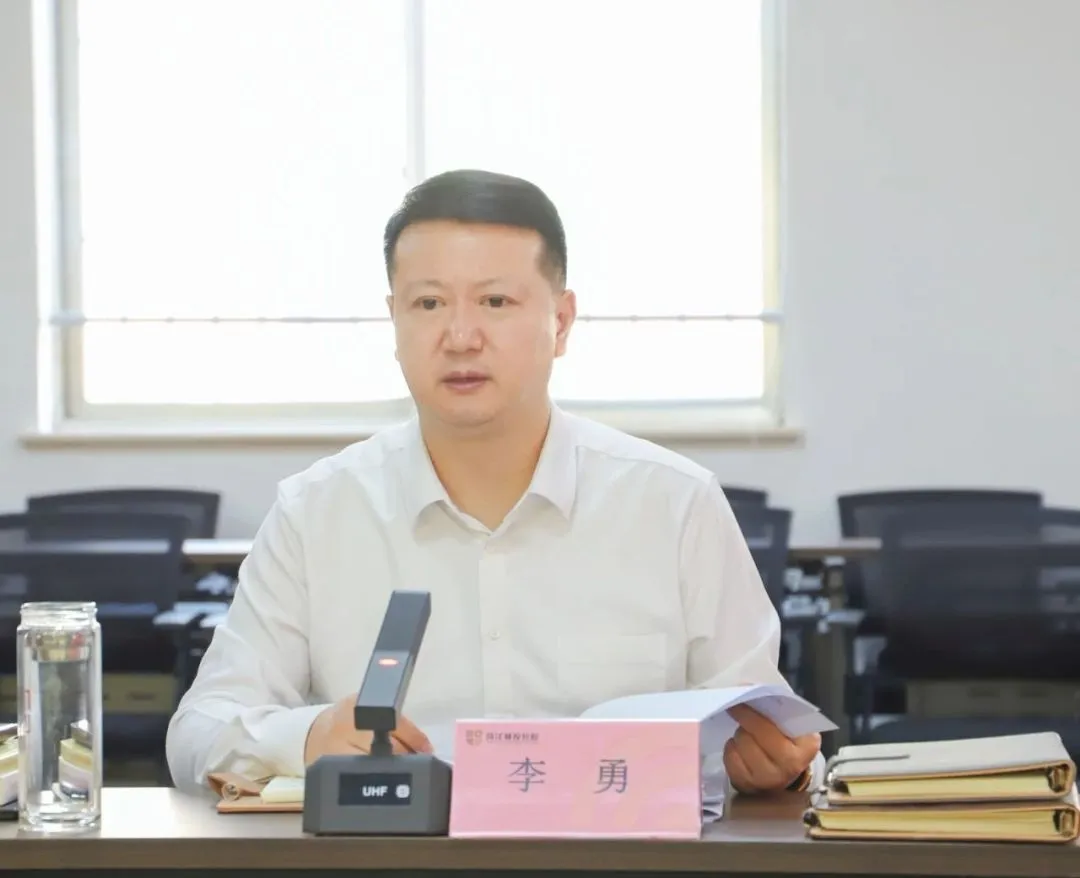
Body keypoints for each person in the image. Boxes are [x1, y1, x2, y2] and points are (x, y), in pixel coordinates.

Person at [166, 169, 823, 797]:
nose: (460, 336)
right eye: (428, 303)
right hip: (392, 856)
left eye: (495, 302)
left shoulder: (675, 505)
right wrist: (307, 738)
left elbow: (771, 734)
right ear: (394, 320)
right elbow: (197, 732)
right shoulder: (316, 513)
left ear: (561, 321)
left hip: (619, 857)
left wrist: (779, 768)